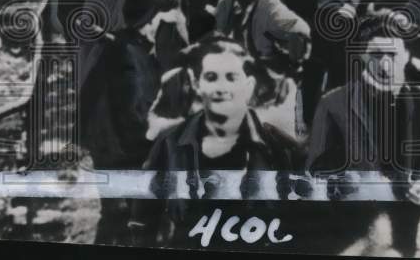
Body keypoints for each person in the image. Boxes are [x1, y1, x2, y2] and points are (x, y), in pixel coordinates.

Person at [128, 39, 308, 247]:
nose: (222, 88)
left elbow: (299, 227)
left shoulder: (278, 148)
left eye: (232, 78)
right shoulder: (170, 143)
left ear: (248, 86)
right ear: (197, 85)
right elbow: (141, 225)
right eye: (211, 78)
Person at [308, 17, 420, 256]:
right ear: (362, 55)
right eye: (376, 55)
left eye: (393, 56)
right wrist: (357, 182)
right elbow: (316, 168)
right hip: (352, 231)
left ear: (408, 55)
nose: (385, 66)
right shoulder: (333, 103)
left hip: (408, 230)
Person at [81, 0, 162, 245]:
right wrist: (153, 140)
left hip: (107, 143)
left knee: (114, 213)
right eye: (156, 21)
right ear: (147, 22)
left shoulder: (123, 46)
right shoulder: (129, 53)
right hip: (121, 147)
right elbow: (132, 109)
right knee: (126, 214)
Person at [214, 0, 312, 138]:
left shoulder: (269, 6)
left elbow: (301, 30)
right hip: (255, 75)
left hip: (268, 79)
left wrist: (291, 64)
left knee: (269, 131)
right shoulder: (249, 1)